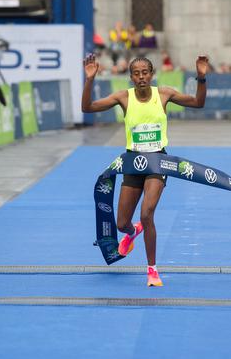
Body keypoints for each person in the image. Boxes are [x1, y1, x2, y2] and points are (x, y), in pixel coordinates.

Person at [81, 53, 208, 286]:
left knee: (147, 213)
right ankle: (132, 232)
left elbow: (198, 103)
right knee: (121, 224)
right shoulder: (123, 97)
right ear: (131, 77)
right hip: (132, 163)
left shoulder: (164, 94)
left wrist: (201, 77)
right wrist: (89, 79)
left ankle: (152, 270)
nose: (141, 77)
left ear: (152, 74)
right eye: (136, 73)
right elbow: (87, 108)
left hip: (158, 162)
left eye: (145, 72)